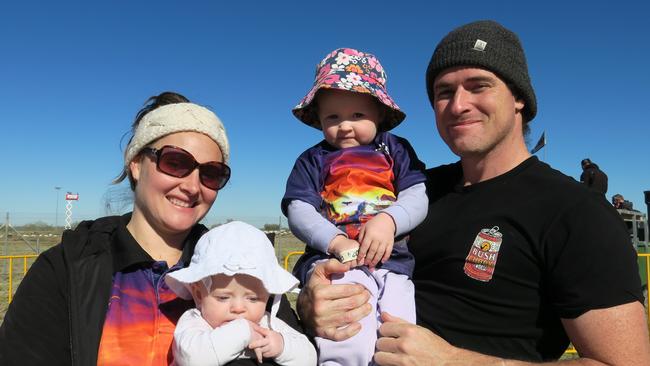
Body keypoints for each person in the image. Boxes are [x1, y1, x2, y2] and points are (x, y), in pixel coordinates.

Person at [296, 20, 650, 365]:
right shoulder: (412, 192)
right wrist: (311, 302)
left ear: (519, 99)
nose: (458, 105)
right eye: (444, 92)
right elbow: (322, 248)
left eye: (479, 86)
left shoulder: (576, 211)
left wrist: (453, 361)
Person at [0, 92, 303, 366]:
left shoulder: (238, 258)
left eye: (211, 173)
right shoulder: (68, 267)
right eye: (175, 162)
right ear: (135, 163)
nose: (192, 186)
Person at [282, 47, 427, 365]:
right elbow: (299, 209)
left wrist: (389, 221)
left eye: (357, 115)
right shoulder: (314, 159)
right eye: (333, 117)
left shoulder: (395, 149)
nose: (345, 126)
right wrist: (334, 241)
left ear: (379, 114)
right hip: (339, 262)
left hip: (395, 266)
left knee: (398, 331)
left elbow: (417, 195)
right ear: (319, 119)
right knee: (349, 330)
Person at [165, 221, 316, 365]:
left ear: (267, 295)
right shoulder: (195, 322)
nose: (238, 308)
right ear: (198, 294)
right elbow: (192, 359)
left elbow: (309, 357)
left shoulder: (267, 323)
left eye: (253, 298)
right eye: (223, 297)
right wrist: (242, 332)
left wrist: (282, 346)